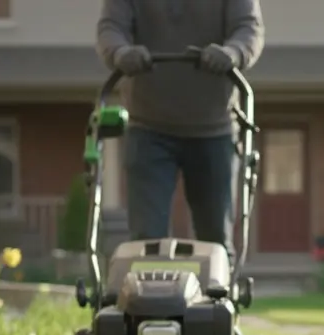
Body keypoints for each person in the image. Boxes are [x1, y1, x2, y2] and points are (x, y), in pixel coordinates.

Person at [96, 0, 265, 260]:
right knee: (147, 239)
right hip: (148, 128)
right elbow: (111, 28)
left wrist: (233, 53)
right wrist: (121, 53)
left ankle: (217, 296)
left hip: (213, 129)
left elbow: (248, 28)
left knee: (215, 239)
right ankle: (148, 298)